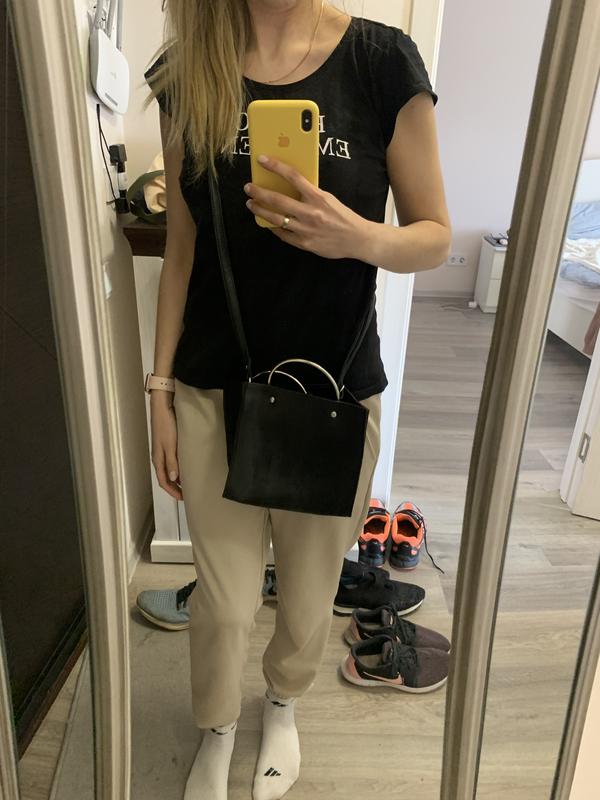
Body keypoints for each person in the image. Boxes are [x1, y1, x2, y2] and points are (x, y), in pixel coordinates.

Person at [143, 2, 451, 798]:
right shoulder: (187, 71)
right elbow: (182, 246)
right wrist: (159, 390)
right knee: (222, 602)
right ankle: (217, 725)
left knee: (310, 596)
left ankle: (282, 703)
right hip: (214, 385)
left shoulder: (380, 62)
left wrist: (358, 237)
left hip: (334, 391)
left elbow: (434, 234)